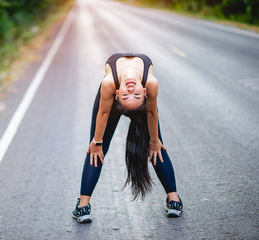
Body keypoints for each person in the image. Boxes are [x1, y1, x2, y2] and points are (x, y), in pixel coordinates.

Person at [72, 53, 183, 223]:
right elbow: (104, 112)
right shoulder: (109, 85)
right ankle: (83, 207)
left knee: (157, 146)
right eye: (126, 95)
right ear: (117, 94)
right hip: (111, 105)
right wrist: (97, 142)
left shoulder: (151, 84)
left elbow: (152, 112)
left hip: (142, 108)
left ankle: (174, 200)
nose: (131, 91)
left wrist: (153, 141)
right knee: (96, 149)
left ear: (145, 92)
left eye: (136, 95)